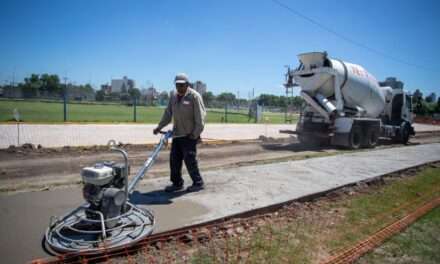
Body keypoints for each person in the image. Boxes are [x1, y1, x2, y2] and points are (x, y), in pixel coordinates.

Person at [153, 73, 206, 192]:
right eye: (177, 85)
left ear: (187, 84)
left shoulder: (194, 96)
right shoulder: (173, 96)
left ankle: (198, 183)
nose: (180, 87)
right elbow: (168, 114)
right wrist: (159, 127)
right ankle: (177, 183)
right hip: (177, 134)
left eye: (182, 85)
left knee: (190, 160)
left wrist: (195, 134)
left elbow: (200, 118)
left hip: (189, 135)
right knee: (174, 161)